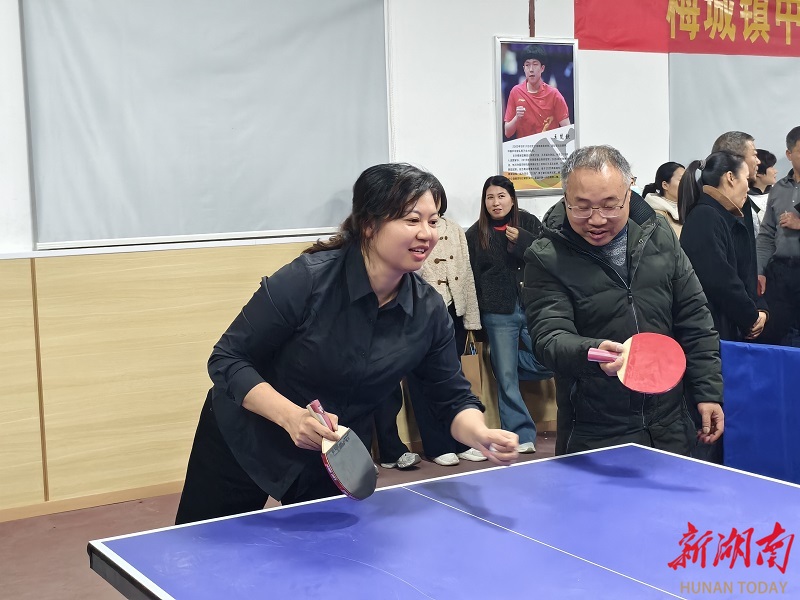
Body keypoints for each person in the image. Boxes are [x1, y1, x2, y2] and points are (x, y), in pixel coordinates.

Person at [175, 163, 520, 525]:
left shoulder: (429, 312)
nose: (427, 233)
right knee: (207, 549)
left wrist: (480, 433)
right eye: (412, 220)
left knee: (323, 556)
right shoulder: (306, 280)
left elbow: (451, 397)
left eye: (434, 221)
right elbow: (227, 359)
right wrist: (291, 417)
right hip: (244, 438)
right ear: (369, 224)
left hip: (329, 457)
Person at [522, 145, 724, 457]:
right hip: (594, 427)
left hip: (669, 420)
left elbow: (695, 318)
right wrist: (592, 353)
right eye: (581, 207)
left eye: (609, 206)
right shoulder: (546, 257)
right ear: (565, 198)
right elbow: (549, 337)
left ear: (629, 193)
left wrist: (708, 391)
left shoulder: (660, 235)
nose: (596, 219)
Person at [466, 176, 552, 455]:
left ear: (512, 199)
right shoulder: (475, 233)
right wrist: (476, 317)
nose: (496, 203)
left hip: (532, 305)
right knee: (506, 378)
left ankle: (503, 363)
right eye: (490, 197)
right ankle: (521, 434)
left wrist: (524, 241)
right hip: (497, 312)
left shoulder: (529, 223)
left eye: (501, 196)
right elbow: (472, 278)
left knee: (550, 358)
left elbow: (549, 256)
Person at [407, 204, 486, 466]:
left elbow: (466, 273)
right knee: (421, 380)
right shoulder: (407, 232)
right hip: (420, 311)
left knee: (453, 378)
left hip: (454, 310)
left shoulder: (454, 229)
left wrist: (471, 316)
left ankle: (462, 442)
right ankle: (436, 445)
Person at [678, 152, 768, 343]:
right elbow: (720, 281)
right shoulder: (705, 217)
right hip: (711, 333)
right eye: (746, 179)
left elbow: (743, 274)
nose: (748, 187)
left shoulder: (722, 215)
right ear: (730, 177)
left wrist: (761, 310)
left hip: (726, 327)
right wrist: (750, 317)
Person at [756, 126, 800, 346]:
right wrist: (759, 270)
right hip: (780, 274)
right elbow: (766, 235)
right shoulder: (778, 189)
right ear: (789, 154)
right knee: (777, 337)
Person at [504, 45, 570, 140]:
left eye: (535, 64)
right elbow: (507, 132)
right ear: (524, 68)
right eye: (527, 65)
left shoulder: (554, 94)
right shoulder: (516, 92)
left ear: (542, 68)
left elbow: (567, 131)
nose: (531, 69)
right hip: (524, 148)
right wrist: (517, 118)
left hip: (548, 148)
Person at [641, 161, 685, 235]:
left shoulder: (689, 210)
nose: (687, 184)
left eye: (687, 179)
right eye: (682, 180)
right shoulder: (656, 216)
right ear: (665, 185)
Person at [749, 149, 779, 237]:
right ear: (758, 172)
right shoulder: (744, 200)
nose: (775, 171)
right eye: (771, 167)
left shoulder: (780, 193)